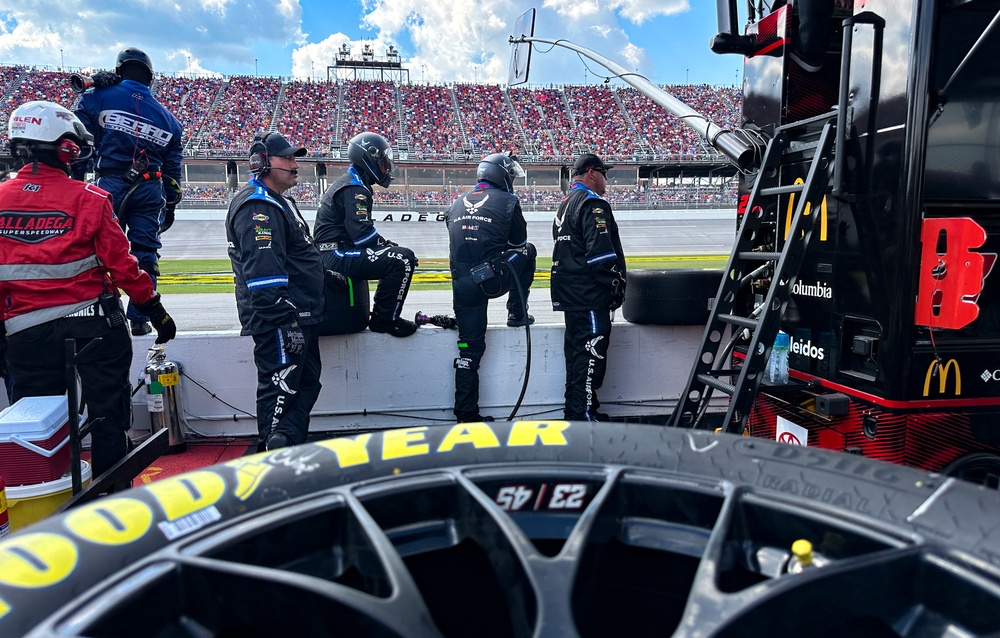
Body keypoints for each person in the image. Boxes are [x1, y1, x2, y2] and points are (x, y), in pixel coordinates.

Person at [0, 100, 176, 477]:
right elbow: (124, 267)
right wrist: (154, 309)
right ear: (66, 149)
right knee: (108, 416)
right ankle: (112, 494)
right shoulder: (89, 199)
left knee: (37, 423)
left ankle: (46, 494)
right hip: (94, 328)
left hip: (25, 333)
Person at [74, 47, 184, 337]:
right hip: (151, 188)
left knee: (98, 250)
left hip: (109, 184)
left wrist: (75, 184)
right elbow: (173, 174)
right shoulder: (170, 120)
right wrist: (170, 205)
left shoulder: (96, 95)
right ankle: (140, 318)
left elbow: (78, 142)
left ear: (119, 70)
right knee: (146, 253)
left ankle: (101, 313)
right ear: (150, 78)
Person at [226, 131, 325, 451]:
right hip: (280, 320)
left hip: (299, 314)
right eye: (288, 158)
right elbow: (263, 276)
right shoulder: (258, 206)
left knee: (307, 383)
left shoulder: (278, 201)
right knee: (279, 388)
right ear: (263, 163)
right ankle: (271, 453)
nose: (296, 165)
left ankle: (285, 443)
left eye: (296, 158)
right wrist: (287, 323)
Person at [445, 153, 536, 423]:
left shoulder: (456, 202)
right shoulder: (509, 201)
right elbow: (519, 241)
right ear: (503, 176)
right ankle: (517, 313)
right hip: (492, 278)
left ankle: (466, 414)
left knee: (468, 351)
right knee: (528, 251)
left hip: (461, 285)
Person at [314, 132, 418, 337]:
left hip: (335, 251)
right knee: (402, 259)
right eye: (382, 161)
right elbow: (362, 236)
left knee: (395, 254)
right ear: (368, 158)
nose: (386, 167)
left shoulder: (353, 182)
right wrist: (388, 246)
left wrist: (386, 246)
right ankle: (385, 319)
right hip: (335, 255)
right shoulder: (355, 188)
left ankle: (382, 315)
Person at [551, 153, 627, 421]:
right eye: (605, 174)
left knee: (575, 355)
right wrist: (616, 286)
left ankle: (577, 410)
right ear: (593, 173)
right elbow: (601, 256)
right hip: (590, 295)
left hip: (570, 294)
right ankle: (583, 416)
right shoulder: (593, 204)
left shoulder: (564, 204)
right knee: (590, 355)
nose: (607, 180)